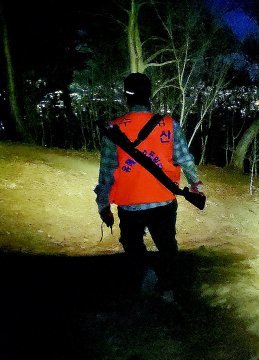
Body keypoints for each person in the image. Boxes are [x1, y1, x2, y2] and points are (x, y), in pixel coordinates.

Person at [94, 72, 204, 303]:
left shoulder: (113, 128)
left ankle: (145, 278)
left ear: (126, 97)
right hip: (163, 201)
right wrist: (195, 185)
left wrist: (103, 204)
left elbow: (106, 171)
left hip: (129, 204)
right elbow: (185, 160)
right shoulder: (168, 124)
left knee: (132, 246)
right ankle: (167, 288)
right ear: (149, 95)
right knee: (167, 246)